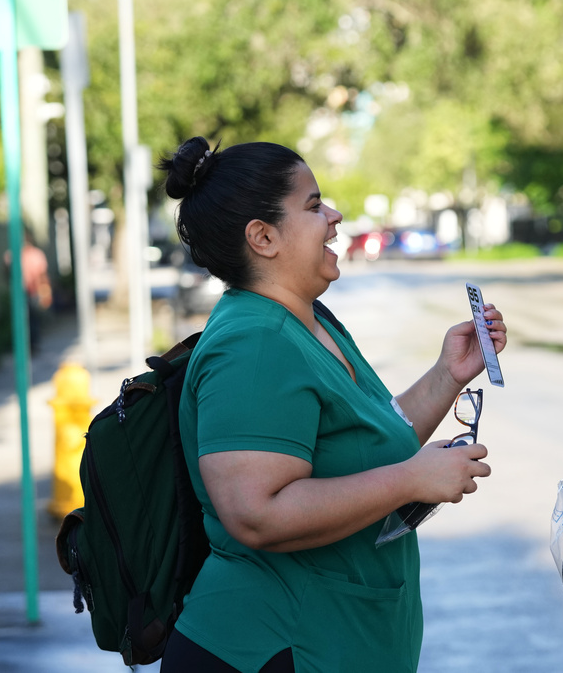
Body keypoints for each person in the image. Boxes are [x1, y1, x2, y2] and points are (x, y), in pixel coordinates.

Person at [155, 137, 505, 673]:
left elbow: (370, 440)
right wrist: (411, 480)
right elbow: (257, 514)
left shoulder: (307, 322)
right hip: (273, 648)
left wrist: (446, 376)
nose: (335, 216)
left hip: (333, 640)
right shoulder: (253, 344)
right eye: (315, 205)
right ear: (263, 237)